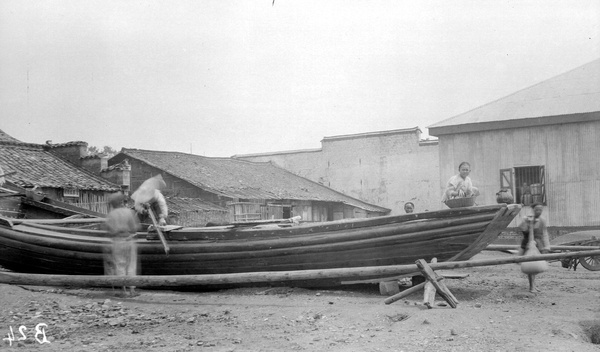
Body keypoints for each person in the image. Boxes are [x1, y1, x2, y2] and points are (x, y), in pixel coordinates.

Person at [104, 192, 141, 296]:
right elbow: (135, 228)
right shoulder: (129, 212)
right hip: (129, 240)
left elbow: (108, 230)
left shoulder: (111, 215)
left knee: (120, 265)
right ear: (121, 202)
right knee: (131, 265)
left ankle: (123, 290)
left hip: (117, 241)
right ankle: (132, 290)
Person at [518, 203, 550, 293]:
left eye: (540, 210)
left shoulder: (542, 220)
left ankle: (533, 285)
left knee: (536, 265)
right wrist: (527, 223)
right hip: (529, 243)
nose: (539, 212)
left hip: (538, 244)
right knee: (530, 264)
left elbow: (544, 234)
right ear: (533, 210)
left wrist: (547, 246)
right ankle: (531, 286)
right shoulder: (528, 219)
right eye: (537, 210)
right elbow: (523, 230)